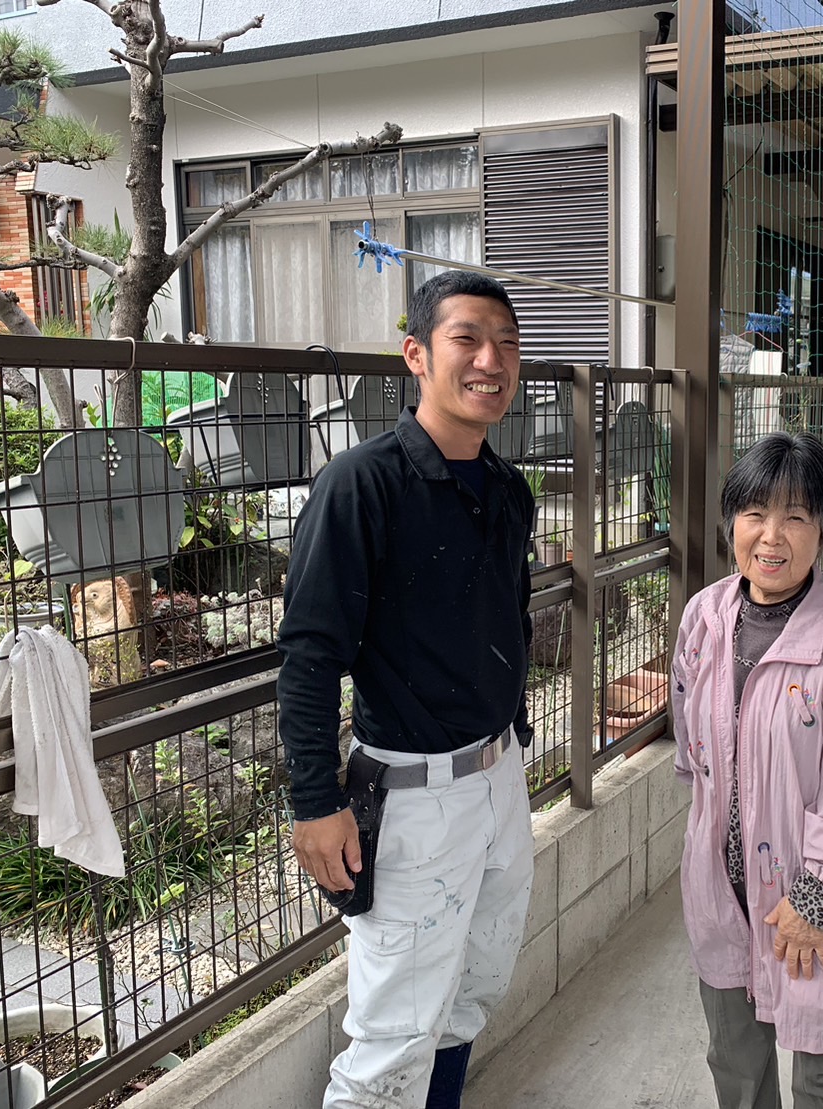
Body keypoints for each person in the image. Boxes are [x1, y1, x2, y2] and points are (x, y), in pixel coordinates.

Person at [277, 271, 536, 1108]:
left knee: (469, 996)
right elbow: (310, 654)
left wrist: (516, 742)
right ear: (417, 355)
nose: (489, 359)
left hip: (499, 779)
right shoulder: (362, 484)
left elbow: (510, 619)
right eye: (467, 338)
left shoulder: (506, 487)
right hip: (413, 801)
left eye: (505, 341)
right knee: (391, 1039)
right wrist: (316, 801)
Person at [671, 432, 823, 1109]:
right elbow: (695, 752)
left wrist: (818, 898)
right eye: (753, 513)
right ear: (731, 522)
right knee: (736, 1064)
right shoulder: (704, 619)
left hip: (813, 898)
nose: (771, 536)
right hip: (721, 887)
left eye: (795, 516)